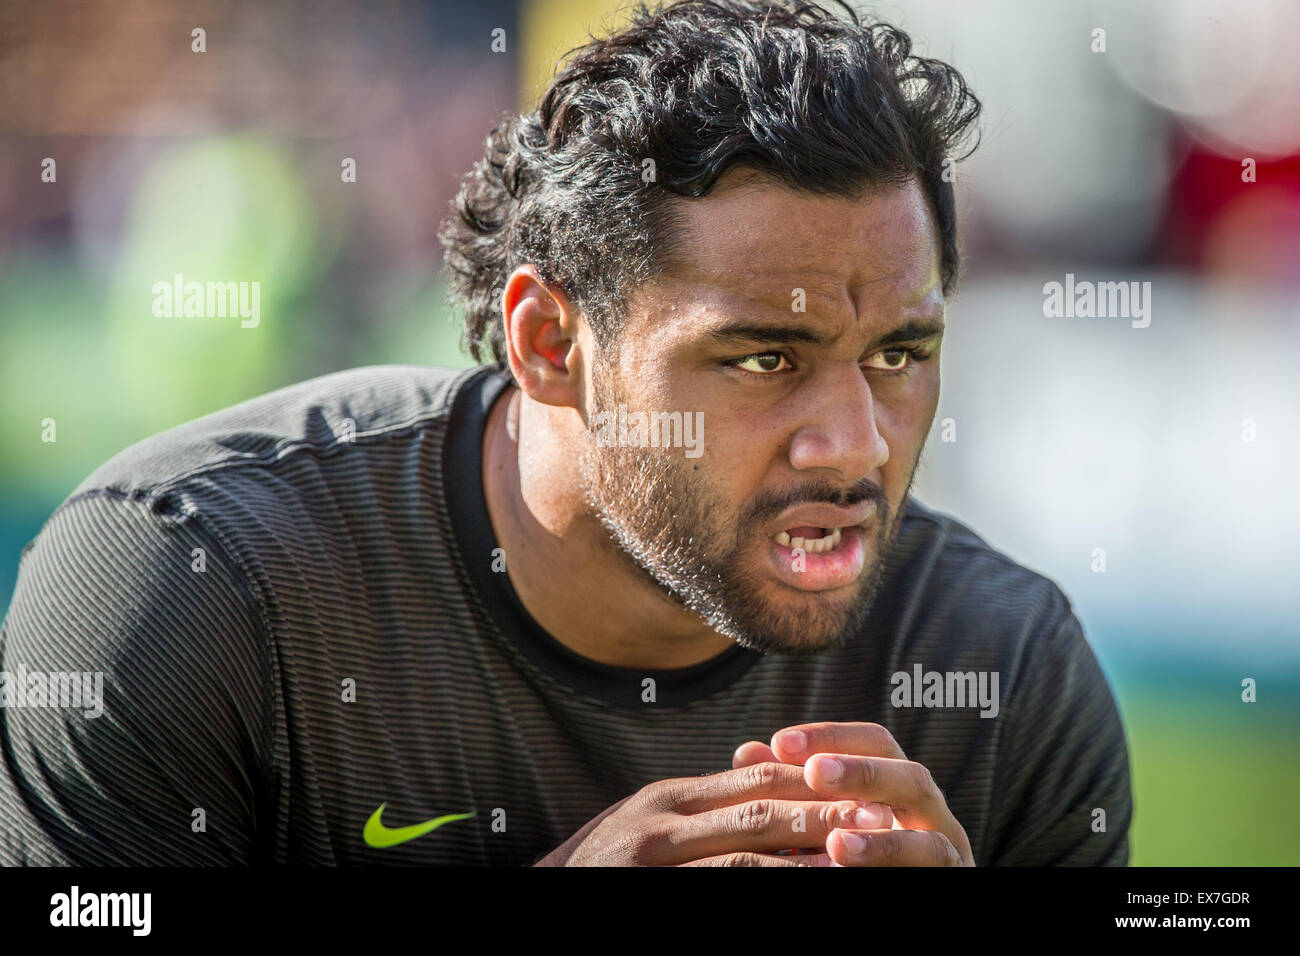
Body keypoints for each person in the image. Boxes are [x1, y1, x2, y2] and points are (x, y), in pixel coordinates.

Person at [0, 0, 1130, 866]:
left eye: (897, 354)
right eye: (762, 359)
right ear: (549, 342)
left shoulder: (1003, 669)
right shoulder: (184, 583)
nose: (854, 446)